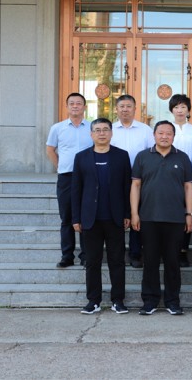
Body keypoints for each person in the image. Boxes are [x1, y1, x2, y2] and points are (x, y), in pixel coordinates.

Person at [130, 120, 192, 316]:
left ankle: (172, 301)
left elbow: (188, 187)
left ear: (174, 136)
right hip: (148, 217)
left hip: (175, 218)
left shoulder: (182, 157)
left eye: (168, 133)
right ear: (154, 135)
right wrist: (134, 213)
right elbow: (136, 185)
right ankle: (149, 301)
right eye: (161, 133)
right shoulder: (142, 156)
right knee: (150, 261)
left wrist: (189, 213)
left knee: (172, 261)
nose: (164, 136)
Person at [72, 118, 131, 315]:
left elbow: (127, 187)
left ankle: (118, 300)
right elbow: (76, 190)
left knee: (117, 261)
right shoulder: (81, 157)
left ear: (111, 133)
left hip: (115, 218)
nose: (102, 133)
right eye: (97, 130)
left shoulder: (122, 156)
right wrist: (76, 218)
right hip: (90, 219)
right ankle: (93, 301)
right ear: (91, 134)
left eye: (105, 129)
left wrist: (127, 213)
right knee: (92, 261)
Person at [46, 92, 93, 268]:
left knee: (86, 216)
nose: (75, 106)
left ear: (84, 107)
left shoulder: (92, 127)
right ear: (66, 106)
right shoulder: (57, 128)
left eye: (79, 103)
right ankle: (67, 256)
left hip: (88, 177)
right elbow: (50, 149)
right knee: (66, 217)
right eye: (71, 103)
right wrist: (59, 166)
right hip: (66, 176)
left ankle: (86, 255)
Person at [110, 94, 155, 269]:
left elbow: (152, 153)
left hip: (140, 179)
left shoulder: (145, 130)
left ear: (135, 109)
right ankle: (117, 253)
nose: (125, 110)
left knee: (137, 215)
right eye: (122, 106)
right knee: (117, 214)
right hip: (115, 179)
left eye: (129, 106)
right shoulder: (110, 129)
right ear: (116, 109)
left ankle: (135, 253)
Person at [169, 94, 192, 268]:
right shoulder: (167, 128)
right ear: (171, 110)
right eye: (176, 107)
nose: (180, 110)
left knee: (187, 213)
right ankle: (169, 250)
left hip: (189, 177)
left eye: (183, 107)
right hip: (169, 177)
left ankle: (183, 251)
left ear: (188, 110)